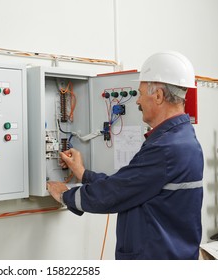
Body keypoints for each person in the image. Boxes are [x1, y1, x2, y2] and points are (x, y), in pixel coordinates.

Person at [47, 51, 204, 260]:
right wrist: (84, 174)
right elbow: (130, 184)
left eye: (140, 94)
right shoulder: (180, 139)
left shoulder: (166, 148)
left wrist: (65, 196)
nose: (137, 102)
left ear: (158, 96)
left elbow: (115, 192)